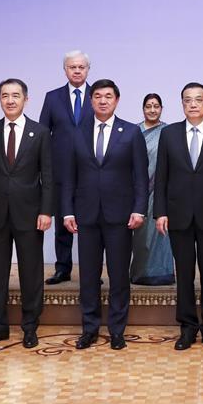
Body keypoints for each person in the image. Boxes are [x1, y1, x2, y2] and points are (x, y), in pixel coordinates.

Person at [62, 79, 148, 351]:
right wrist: (67, 211)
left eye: (108, 96)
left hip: (120, 216)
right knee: (88, 276)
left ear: (117, 100)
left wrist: (139, 208)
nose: (102, 101)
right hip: (86, 215)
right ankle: (89, 329)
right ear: (90, 101)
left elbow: (141, 176)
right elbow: (68, 176)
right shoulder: (77, 133)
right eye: (97, 96)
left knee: (119, 275)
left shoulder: (131, 132)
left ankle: (117, 330)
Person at [154, 83, 203, 351]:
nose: (193, 104)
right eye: (187, 100)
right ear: (182, 104)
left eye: (198, 99)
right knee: (184, 274)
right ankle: (187, 327)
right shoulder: (169, 134)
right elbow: (162, 176)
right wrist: (160, 212)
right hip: (178, 215)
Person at [0, 78, 53, 349]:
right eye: (5, 95)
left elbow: (48, 176)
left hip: (30, 214)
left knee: (31, 273)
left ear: (25, 100)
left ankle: (30, 326)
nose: (10, 100)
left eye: (15, 95)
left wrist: (46, 211)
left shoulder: (40, 132)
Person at [40, 50, 93, 285]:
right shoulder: (52, 98)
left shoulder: (98, 95)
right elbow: (43, 134)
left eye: (81, 67)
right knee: (63, 222)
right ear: (65, 70)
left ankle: (91, 271)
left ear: (88, 69)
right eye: (73, 67)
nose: (77, 71)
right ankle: (62, 269)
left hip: (91, 170)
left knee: (91, 223)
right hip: (60, 170)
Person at [130, 93, 174, 286]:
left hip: (161, 190)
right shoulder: (134, 131)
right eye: (148, 106)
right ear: (143, 109)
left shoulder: (168, 132)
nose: (152, 110)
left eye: (156, 106)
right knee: (141, 236)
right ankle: (140, 273)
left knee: (161, 233)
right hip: (138, 191)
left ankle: (162, 273)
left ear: (162, 109)